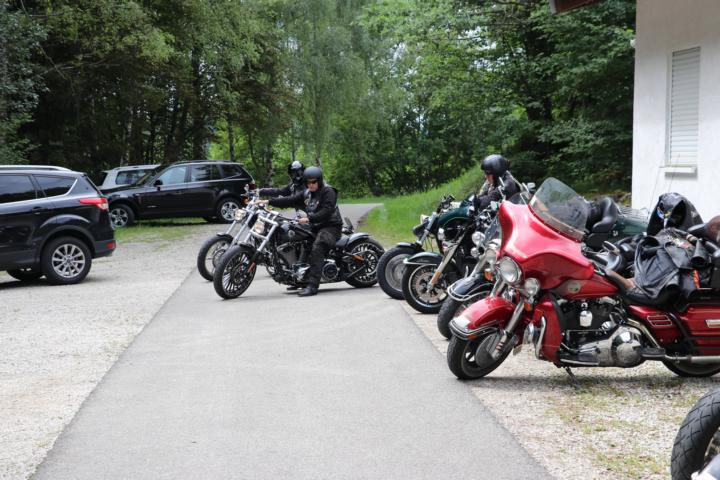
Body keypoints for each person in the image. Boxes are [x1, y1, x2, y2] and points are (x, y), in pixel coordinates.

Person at [258, 166, 342, 297]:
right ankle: (299, 278)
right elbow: (289, 200)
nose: (311, 184)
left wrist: (309, 218)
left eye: (313, 182)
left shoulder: (328, 191)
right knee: (299, 240)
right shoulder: (307, 193)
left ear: (319, 181)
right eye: (308, 182)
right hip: (315, 226)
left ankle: (312, 286)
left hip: (331, 227)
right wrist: (268, 201)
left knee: (318, 247)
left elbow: (327, 210)